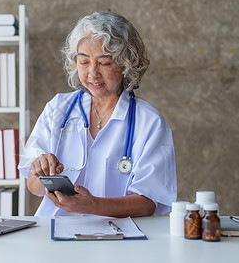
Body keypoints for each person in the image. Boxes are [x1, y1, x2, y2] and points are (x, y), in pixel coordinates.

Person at [18, 11, 176, 217]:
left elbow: (148, 203)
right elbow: (34, 188)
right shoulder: (58, 108)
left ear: (126, 64)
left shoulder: (150, 122)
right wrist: (38, 171)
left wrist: (93, 206)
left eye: (105, 63)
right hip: (54, 234)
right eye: (84, 62)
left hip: (117, 238)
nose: (93, 73)